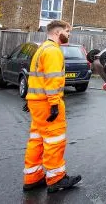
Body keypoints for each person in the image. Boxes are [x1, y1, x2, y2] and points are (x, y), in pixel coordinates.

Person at [22, 20, 82, 193]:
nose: (69, 35)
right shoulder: (54, 51)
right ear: (57, 33)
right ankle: (56, 179)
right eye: (67, 32)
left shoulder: (41, 49)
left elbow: (34, 78)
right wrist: (54, 104)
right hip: (48, 103)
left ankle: (32, 178)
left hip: (37, 102)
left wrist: (30, 99)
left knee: (37, 140)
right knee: (54, 140)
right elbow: (52, 80)